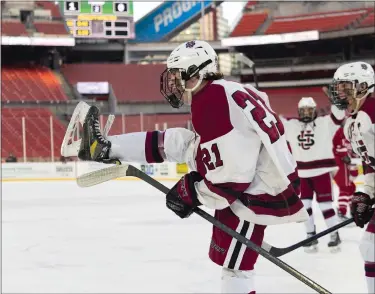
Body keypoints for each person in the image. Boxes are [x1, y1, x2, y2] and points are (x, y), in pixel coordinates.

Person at [65, 40, 308, 294]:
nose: (174, 84)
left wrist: (193, 192)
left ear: (198, 72)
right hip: (260, 178)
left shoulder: (213, 99)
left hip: (258, 190)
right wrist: (194, 189)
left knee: (236, 267)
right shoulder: (227, 91)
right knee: (178, 141)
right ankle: (105, 147)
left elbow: (231, 181)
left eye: (179, 76)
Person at [329, 61, 375, 294]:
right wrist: (366, 192)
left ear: (364, 86)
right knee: (370, 246)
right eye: (339, 87)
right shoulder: (353, 123)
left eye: (346, 86)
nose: (340, 92)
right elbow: (370, 165)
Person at [280, 96, 346, 253]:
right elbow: (274, 121)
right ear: (298, 111)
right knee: (305, 206)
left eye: (309, 110)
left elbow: (338, 116)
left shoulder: (325, 123)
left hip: (321, 172)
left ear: (315, 110)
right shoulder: (292, 125)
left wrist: (337, 103)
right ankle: (310, 235)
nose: (306, 113)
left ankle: (334, 234)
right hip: (302, 174)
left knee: (325, 206)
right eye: (303, 110)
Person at [332, 125, 359, 221]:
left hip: (344, 164)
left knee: (351, 187)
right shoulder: (339, 132)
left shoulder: (352, 134)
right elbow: (337, 147)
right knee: (345, 188)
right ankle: (341, 212)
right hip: (339, 163)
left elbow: (353, 153)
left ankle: (353, 210)